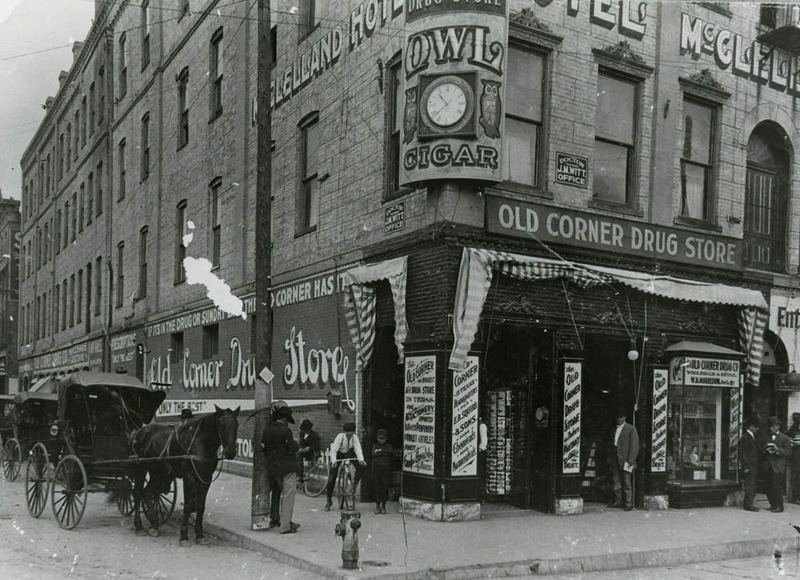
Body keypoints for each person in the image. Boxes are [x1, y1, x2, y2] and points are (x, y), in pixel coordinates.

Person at [262, 405, 300, 534]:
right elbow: (291, 449)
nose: (287, 423)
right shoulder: (285, 431)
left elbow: (265, 449)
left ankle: (276, 518)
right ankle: (285, 526)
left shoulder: (267, 430)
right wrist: (296, 443)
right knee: (288, 495)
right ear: (283, 419)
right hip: (287, 467)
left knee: (277, 493)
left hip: (273, 467)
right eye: (287, 420)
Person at [324, 422, 367, 511]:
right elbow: (334, 450)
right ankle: (328, 500)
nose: (349, 434)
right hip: (339, 454)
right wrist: (334, 461)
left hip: (349, 453)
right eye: (347, 432)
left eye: (351, 432)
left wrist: (361, 459)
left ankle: (354, 484)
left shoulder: (355, 438)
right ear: (344, 432)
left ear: (353, 432)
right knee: (332, 477)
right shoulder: (340, 437)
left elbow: (358, 449)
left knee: (361, 466)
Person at [608, 406, 639, 512]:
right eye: (617, 418)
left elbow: (635, 446)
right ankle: (618, 501)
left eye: (621, 417)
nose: (618, 419)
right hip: (615, 458)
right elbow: (611, 445)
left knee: (626, 482)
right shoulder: (614, 429)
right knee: (616, 481)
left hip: (626, 460)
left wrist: (631, 460)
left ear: (625, 418)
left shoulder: (631, 429)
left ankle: (628, 503)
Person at [763, 416, 793, 513]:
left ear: (777, 426)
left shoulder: (785, 438)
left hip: (778, 466)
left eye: (772, 427)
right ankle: (773, 504)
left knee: (777, 486)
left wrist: (777, 450)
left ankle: (779, 506)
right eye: (770, 427)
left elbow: (788, 452)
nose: (770, 428)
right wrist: (766, 450)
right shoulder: (767, 436)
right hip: (768, 465)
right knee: (768, 485)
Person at [739, 416, 760, 512]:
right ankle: (748, 505)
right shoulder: (745, 437)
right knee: (750, 485)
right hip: (749, 466)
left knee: (752, 485)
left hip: (753, 466)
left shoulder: (750, 436)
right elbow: (743, 454)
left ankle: (749, 503)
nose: (757, 429)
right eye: (756, 427)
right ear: (751, 427)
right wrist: (746, 466)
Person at [371, 428, 393, 514]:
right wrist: (384, 453)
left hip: (386, 469)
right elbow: (373, 454)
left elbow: (390, 453)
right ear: (377, 438)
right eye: (380, 438)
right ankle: (377, 506)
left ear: (386, 438)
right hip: (376, 469)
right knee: (377, 487)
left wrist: (380, 452)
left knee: (384, 487)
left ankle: (383, 506)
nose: (381, 440)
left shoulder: (389, 446)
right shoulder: (375, 446)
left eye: (383, 438)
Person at [786, 412, 800, 505]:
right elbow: (789, 445)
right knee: (796, 476)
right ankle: (795, 497)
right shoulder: (791, 431)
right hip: (796, 456)